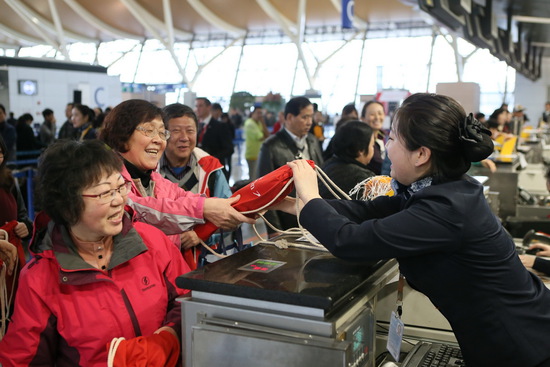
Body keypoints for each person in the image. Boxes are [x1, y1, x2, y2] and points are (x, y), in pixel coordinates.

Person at [279, 93, 550, 367]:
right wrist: (297, 206)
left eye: (393, 138)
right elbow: (368, 211)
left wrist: (311, 194)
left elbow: (350, 241)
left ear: (421, 154)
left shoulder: (445, 208)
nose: (386, 146)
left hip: (523, 348)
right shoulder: (439, 190)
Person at [0, 139, 189, 366]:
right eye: (104, 193)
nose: (119, 200)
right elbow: (23, 360)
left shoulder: (152, 241)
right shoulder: (40, 280)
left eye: (120, 187)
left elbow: (187, 299)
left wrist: (166, 339)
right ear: (67, 205)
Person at [100, 99, 253, 254]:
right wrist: (203, 210)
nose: (158, 140)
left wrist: (252, 203)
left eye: (161, 133)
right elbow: (139, 210)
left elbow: (185, 199)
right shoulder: (104, 177)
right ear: (122, 133)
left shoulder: (156, 178)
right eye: (149, 130)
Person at [159, 103, 236, 269]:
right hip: (160, 261)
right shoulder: (148, 169)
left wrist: (200, 234)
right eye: (176, 130)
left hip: (205, 262)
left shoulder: (211, 169)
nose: (184, 137)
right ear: (162, 134)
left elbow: (232, 216)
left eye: (190, 130)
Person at [257, 96, 323, 233]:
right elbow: (264, 191)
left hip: (315, 214)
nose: (309, 122)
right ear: (289, 117)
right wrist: (273, 229)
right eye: (304, 117)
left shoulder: (312, 140)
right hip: (287, 220)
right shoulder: (271, 146)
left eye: (311, 117)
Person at [319, 120, 375, 199]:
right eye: (372, 145)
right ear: (361, 150)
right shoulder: (364, 179)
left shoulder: (326, 165)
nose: (373, 150)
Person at [0, 135, 32, 242]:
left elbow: (22, 215)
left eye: (0, 152)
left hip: (12, 254)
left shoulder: (8, 180)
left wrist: (25, 227)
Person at [195, 98, 234, 172]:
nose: (197, 109)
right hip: (197, 169)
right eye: (196, 106)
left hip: (214, 169)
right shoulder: (195, 125)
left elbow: (229, 149)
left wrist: (212, 159)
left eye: (200, 106)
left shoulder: (220, 126)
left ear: (208, 107)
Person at [360, 100, 387, 175]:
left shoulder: (385, 137)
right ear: (362, 118)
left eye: (380, 113)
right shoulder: (360, 141)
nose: (377, 117)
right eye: (372, 114)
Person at [244, 106, 269, 180]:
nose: (260, 115)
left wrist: (263, 123)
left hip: (259, 154)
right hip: (252, 155)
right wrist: (263, 124)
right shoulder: (250, 124)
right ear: (252, 113)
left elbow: (267, 135)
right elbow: (262, 137)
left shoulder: (259, 123)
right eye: (258, 113)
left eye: (261, 113)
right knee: (253, 179)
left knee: (259, 178)